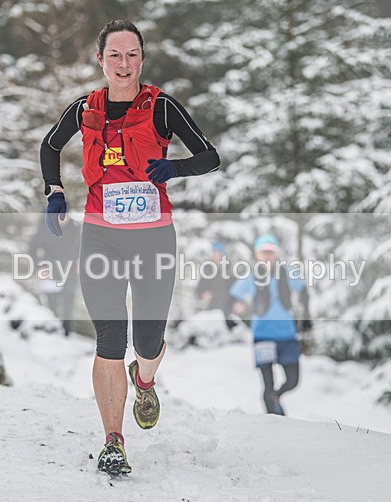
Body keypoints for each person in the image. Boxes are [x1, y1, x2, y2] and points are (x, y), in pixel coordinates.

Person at [40, 20, 220, 476]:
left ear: (142, 58)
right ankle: (113, 441)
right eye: (115, 55)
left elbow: (209, 156)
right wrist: (54, 191)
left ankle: (145, 378)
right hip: (101, 235)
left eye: (132, 54)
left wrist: (174, 169)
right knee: (110, 339)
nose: (124, 64)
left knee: (146, 341)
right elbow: (50, 145)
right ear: (100, 60)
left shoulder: (161, 107)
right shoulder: (85, 108)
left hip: (153, 237)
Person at [229, 234, 311, 415]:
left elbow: (304, 291)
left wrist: (306, 317)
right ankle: (274, 420)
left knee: (293, 381)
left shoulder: (287, 272)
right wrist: (234, 311)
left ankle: (276, 397)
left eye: (271, 252)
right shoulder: (251, 275)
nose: (267, 256)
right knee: (268, 384)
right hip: (262, 335)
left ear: (276, 254)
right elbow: (233, 297)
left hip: (287, 335)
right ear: (257, 254)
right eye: (263, 252)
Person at [27, 213, 81, 336]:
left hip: (71, 272)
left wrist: (80, 260)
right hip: (50, 272)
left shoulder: (76, 228)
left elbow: (84, 246)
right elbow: (32, 248)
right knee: (52, 306)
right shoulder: (46, 227)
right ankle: (52, 333)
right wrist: (39, 267)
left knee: (68, 305)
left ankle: (67, 333)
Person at [195, 241, 235, 327]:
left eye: (218, 253)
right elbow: (200, 288)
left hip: (227, 309)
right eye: (213, 253)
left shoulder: (229, 270)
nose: (215, 256)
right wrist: (203, 294)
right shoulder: (207, 270)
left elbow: (235, 289)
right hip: (212, 308)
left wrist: (237, 302)